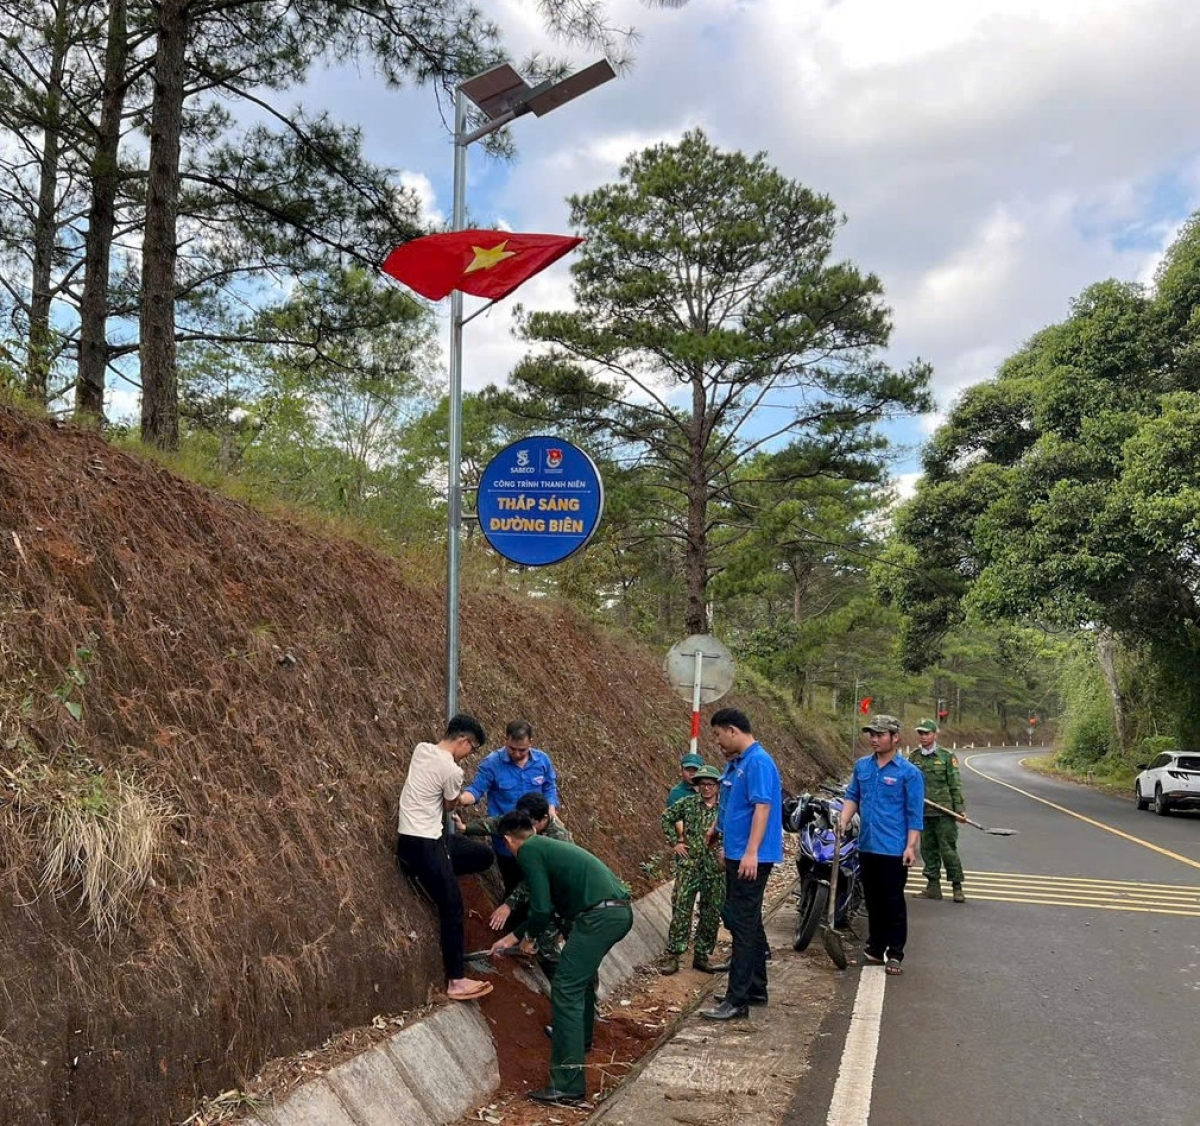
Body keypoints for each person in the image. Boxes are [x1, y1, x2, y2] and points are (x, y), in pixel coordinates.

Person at [488, 810, 633, 1107]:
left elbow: (540, 908)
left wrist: (526, 939)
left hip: (598, 917)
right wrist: (515, 936)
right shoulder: (545, 845)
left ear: (508, 841)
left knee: (565, 987)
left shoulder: (528, 851)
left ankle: (567, 1085)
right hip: (615, 911)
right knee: (578, 982)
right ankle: (581, 1039)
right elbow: (549, 905)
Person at [395, 714, 496, 1002]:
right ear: (464, 741)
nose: (469, 755)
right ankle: (456, 980)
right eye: (472, 749)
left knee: (482, 855)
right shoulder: (453, 772)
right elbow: (450, 804)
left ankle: (436, 870)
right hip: (424, 843)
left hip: (421, 838)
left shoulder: (422, 749)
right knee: (452, 906)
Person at [700, 708, 783, 1021]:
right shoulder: (736, 763)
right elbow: (730, 805)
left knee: (742, 925)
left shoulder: (758, 762)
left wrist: (750, 851)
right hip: (736, 852)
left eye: (720, 736)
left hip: (752, 858)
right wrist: (717, 831)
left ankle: (737, 1001)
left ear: (733, 730)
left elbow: (762, 808)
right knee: (747, 921)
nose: (718, 743)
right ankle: (755, 989)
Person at [839, 714, 925, 976]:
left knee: (893, 901)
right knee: (872, 901)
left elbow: (914, 814)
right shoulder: (863, 767)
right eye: (871, 734)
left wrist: (911, 846)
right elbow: (853, 796)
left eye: (879, 734)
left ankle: (895, 953)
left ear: (895, 737)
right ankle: (874, 950)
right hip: (867, 845)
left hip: (893, 848)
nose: (874, 739)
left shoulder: (909, 773)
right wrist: (842, 821)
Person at [463, 791, 573, 978]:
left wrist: (509, 905)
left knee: (550, 946)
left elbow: (538, 886)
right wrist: (466, 827)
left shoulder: (558, 839)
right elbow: (502, 823)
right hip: (546, 893)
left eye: (531, 824)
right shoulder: (527, 826)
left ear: (544, 819)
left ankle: (569, 992)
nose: (526, 829)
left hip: (565, 898)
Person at [458, 720, 559, 895]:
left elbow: (549, 787)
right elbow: (476, 790)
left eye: (523, 750)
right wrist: (461, 799)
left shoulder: (542, 761)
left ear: (530, 743)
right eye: (513, 749)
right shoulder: (492, 763)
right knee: (514, 887)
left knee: (540, 885)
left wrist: (551, 809)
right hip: (508, 841)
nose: (517, 754)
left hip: (537, 836)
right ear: (506, 741)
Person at [657, 764, 725, 975]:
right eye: (703, 784)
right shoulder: (687, 804)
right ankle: (674, 955)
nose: (706, 788)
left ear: (717, 786)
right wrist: (675, 843)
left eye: (710, 784)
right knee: (681, 910)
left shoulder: (724, 810)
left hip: (714, 869)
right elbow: (666, 818)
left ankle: (702, 955)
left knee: (711, 912)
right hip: (689, 867)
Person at [909, 718, 968, 903]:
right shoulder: (914, 757)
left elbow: (955, 784)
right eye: (920, 733)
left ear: (935, 734)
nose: (923, 737)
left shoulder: (946, 756)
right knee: (928, 850)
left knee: (948, 850)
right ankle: (933, 887)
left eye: (926, 733)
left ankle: (957, 887)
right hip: (923, 812)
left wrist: (960, 809)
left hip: (944, 812)